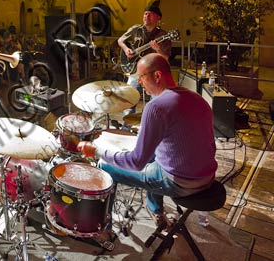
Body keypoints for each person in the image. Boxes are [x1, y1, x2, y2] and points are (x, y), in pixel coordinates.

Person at [77, 53, 217, 228]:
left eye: (141, 77)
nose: (140, 83)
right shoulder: (197, 98)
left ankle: (101, 227)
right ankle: (154, 208)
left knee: (105, 166)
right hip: (207, 176)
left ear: (157, 75)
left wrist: (96, 151)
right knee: (154, 156)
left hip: (180, 183)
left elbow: (136, 162)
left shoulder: (156, 107)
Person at [117, 5, 171, 115]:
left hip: (154, 73)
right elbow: (120, 40)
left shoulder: (163, 35)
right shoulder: (136, 29)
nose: (147, 16)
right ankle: (126, 128)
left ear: (158, 18)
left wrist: (158, 49)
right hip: (135, 71)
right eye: (145, 13)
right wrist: (127, 49)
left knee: (155, 103)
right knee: (128, 100)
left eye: (150, 14)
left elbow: (165, 58)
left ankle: (152, 125)